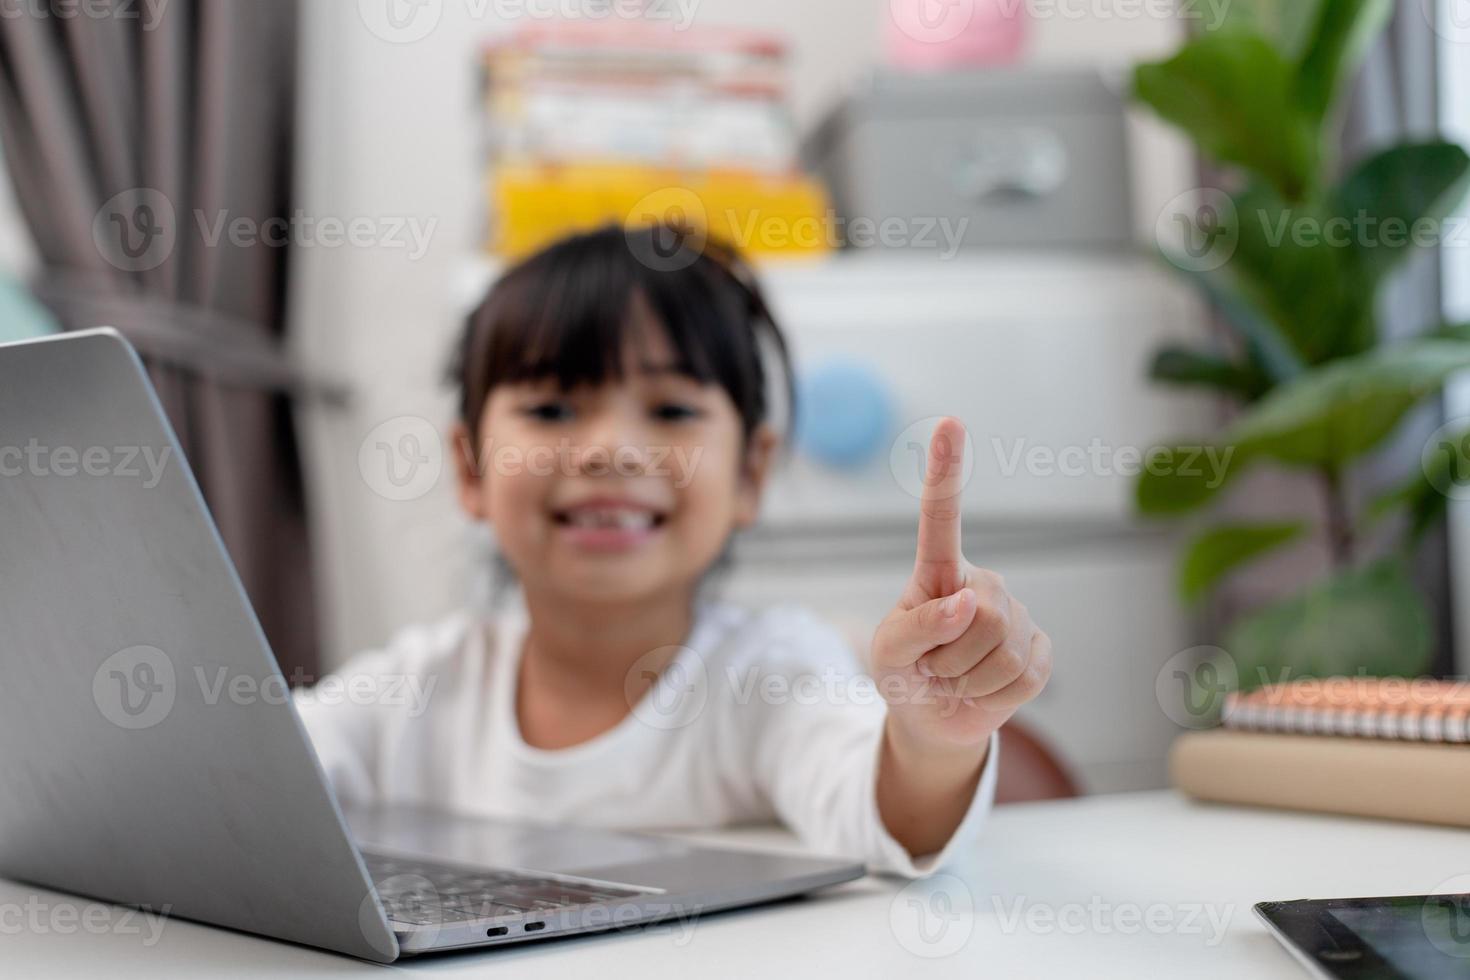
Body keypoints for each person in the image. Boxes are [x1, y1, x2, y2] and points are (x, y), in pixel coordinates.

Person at [296, 223, 1052, 876]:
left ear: (751, 471)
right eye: (553, 406)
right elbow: (250, 778)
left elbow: (887, 817)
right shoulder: (415, 689)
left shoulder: (772, 674)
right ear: (469, 468)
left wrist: (929, 742)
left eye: (671, 409)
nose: (611, 450)